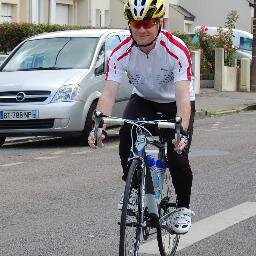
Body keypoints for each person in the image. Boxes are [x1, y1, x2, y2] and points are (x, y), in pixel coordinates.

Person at [88, 0, 195, 234]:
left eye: (147, 22)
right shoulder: (119, 52)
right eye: (136, 23)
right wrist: (99, 126)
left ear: (159, 23)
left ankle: (184, 208)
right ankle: (134, 187)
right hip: (144, 99)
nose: (142, 29)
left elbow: (183, 100)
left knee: (177, 156)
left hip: (175, 101)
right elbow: (108, 93)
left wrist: (182, 132)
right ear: (130, 25)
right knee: (126, 133)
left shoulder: (176, 50)